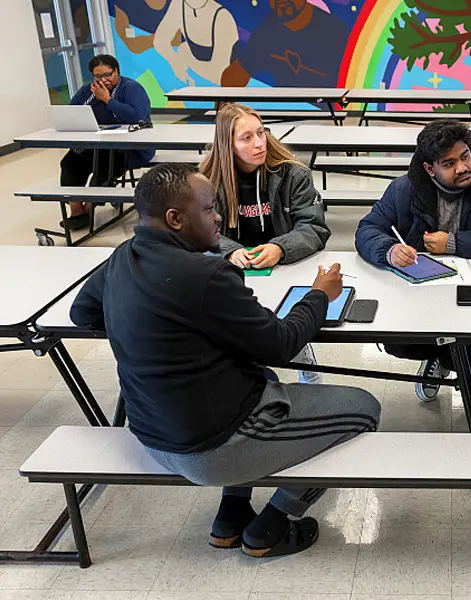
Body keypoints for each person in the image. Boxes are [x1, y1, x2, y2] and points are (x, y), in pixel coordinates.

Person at [70, 163, 380, 557]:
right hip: (209, 450)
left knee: (259, 374)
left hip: (150, 435)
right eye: (208, 209)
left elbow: (83, 314)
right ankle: (274, 525)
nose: (218, 217)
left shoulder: (122, 257)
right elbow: (281, 343)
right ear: (175, 218)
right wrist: (320, 294)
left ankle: (231, 514)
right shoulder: (208, 274)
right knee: (366, 410)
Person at [355, 119, 471, 401]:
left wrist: (452, 243)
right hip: (423, 291)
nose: (462, 167)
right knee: (405, 338)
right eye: (449, 164)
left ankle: (452, 360)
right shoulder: (404, 189)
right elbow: (367, 230)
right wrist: (389, 250)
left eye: (465, 156)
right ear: (429, 169)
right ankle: (440, 358)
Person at [199, 102, 330, 383]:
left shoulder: (293, 174)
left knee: (288, 311)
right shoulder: (207, 181)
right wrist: (230, 252)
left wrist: (280, 248)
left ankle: (300, 346)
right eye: (247, 138)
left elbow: (314, 227)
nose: (260, 143)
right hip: (236, 270)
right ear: (227, 144)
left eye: (261, 133)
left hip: (287, 264)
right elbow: (197, 230)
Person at [59, 54, 152, 230]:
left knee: (104, 163)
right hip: (97, 145)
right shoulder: (88, 91)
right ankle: (77, 210)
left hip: (128, 148)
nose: (103, 80)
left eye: (107, 75)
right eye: (98, 76)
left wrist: (107, 100)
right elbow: (71, 113)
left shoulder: (131, 88)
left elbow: (138, 117)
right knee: (70, 162)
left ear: (116, 71)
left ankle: (90, 207)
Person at [220, 0, 349, 88]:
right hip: (286, 115)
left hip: (327, 117)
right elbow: (236, 76)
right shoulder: (267, 31)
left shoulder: (336, 32)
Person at [153, 0, 238, 85]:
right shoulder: (178, 4)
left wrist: (185, 57)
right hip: (196, 80)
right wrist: (175, 61)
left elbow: (219, 75)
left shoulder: (223, 17)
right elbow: (160, 41)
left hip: (228, 88)